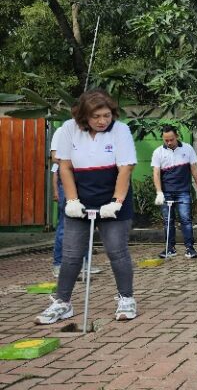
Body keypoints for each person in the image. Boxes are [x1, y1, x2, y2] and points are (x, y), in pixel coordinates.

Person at [35, 89, 138, 324]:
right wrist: (71, 200)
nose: (102, 121)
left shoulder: (121, 130)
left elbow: (126, 168)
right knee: (71, 254)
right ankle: (62, 303)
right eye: (96, 117)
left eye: (106, 116)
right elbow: (65, 167)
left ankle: (126, 298)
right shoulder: (68, 129)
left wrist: (116, 202)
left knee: (116, 251)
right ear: (84, 116)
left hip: (113, 199)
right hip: (80, 199)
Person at [50, 126, 101, 278]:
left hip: (85, 180)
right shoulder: (62, 131)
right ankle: (59, 264)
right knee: (65, 225)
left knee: (85, 223)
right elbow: (54, 157)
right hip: (67, 181)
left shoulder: (89, 132)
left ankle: (84, 263)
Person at [151, 125, 197, 259]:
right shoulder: (158, 152)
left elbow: (194, 168)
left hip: (183, 191)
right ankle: (170, 248)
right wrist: (159, 192)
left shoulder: (187, 148)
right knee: (168, 221)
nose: (169, 143)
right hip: (166, 192)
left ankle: (190, 249)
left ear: (177, 137)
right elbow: (156, 173)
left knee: (186, 219)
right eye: (166, 140)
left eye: (171, 139)